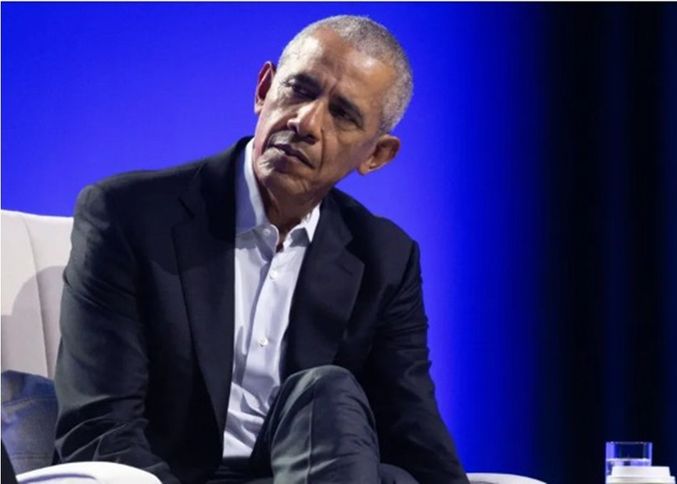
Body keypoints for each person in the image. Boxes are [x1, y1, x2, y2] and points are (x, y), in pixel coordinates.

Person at [54, 15, 468, 484]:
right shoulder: (129, 215)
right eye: (299, 90)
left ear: (376, 155)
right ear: (264, 88)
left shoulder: (386, 258)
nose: (306, 121)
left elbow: (413, 427)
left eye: (342, 114)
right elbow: (100, 425)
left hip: (313, 473)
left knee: (329, 395)